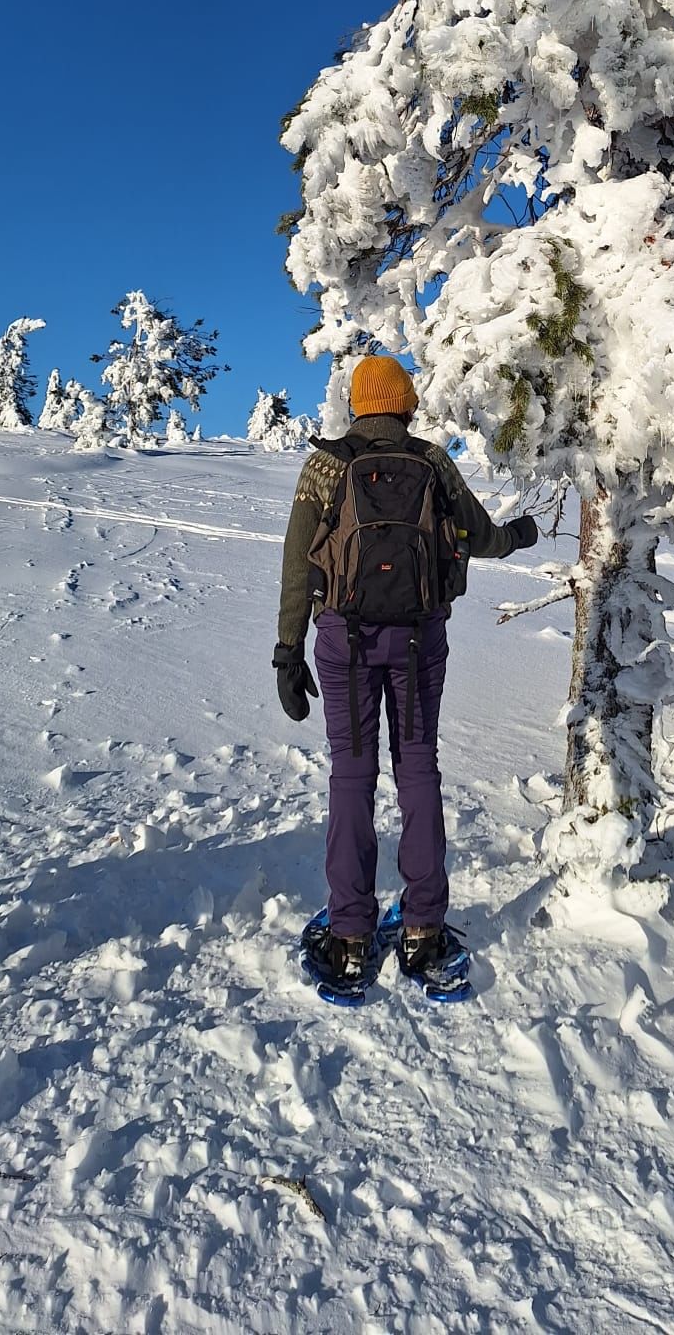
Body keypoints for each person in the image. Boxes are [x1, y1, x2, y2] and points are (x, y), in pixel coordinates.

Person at [272, 354, 537, 998]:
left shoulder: (327, 466)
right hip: (420, 641)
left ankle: (351, 932)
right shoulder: (433, 463)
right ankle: (423, 927)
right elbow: (482, 537)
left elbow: (298, 562)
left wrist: (288, 648)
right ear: (406, 402)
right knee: (418, 769)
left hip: (345, 642)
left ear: (360, 404)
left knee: (352, 773)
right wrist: (522, 533)